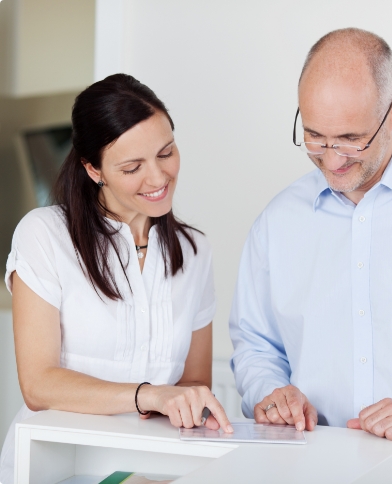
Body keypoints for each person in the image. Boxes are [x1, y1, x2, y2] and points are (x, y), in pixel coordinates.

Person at [229, 28, 392, 483]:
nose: (332, 160)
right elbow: (255, 344)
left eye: (350, 138)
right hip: (313, 472)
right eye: (314, 136)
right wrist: (271, 392)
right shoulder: (277, 221)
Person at [0, 74, 232, 484]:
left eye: (166, 152)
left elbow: (193, 382)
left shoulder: (194, 250)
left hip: (153, 467)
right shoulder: (44, 235)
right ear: (94, 169)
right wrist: (149, 394)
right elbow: (38, 384)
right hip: (56, 464)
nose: (159, 178)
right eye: (132, 167)